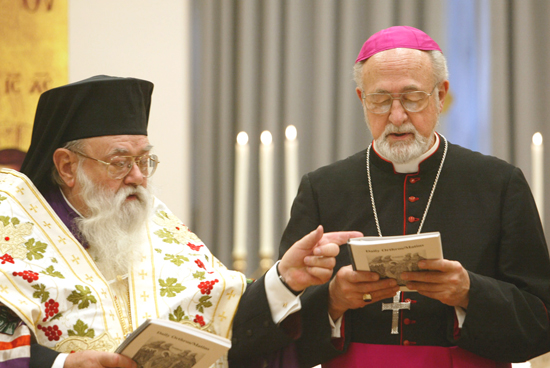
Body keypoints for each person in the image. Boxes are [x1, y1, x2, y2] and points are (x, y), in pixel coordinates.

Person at [0, 75, 361, 368]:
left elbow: (224, 323)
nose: (138, 178)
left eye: (144, 161)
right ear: (67, 167)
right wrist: (63, 364)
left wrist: (285, 278)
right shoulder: (12, 232)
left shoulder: (155, 225)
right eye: (120, 162)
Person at [278, 26, 550, 367]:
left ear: (440, 95)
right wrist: (333, 300)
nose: (396, 116)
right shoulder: (323, 187)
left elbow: (540, 317)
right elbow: (278, 321)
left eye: (412, 97)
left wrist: (470, 293)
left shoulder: (499, 184)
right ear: (363, 99)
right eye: (380, 100)